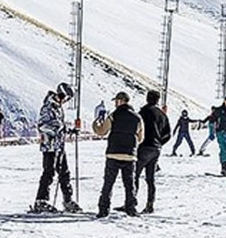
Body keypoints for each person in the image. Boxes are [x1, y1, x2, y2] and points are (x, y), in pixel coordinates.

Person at [92, 91, 144, 218]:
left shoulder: (113, 115)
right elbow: (141, 138)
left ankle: (103, 209)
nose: (115, 103)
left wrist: (95, 123)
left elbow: (102, 131)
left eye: (116, 101)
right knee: (129, 184)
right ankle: (130, 208)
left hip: (113, 154)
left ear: (121, 101)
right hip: (130, 155)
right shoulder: (138, 118)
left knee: (108, 183)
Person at [30, 83, 80, 213]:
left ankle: (68, 200)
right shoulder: (47, 107)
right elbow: (42, 126)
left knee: (64, 173)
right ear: (62, 95)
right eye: (67, 98)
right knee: (49, 172)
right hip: (49, 146)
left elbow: (60, 126)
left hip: (59, 145)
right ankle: (41, 200)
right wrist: (60, 128)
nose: (66, 101)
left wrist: (70, 130)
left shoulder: (57, 107)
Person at [135, 90, 171, 214]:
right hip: (156, 149)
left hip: (143, 147)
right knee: (150, 178)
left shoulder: (143, 112)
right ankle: (150, 204)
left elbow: (137, 129)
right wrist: (159, 143)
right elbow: (168, 134)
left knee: (135, 175)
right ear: (158, 100)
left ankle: (131, 202)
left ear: (147, 98)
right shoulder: (162, 114)